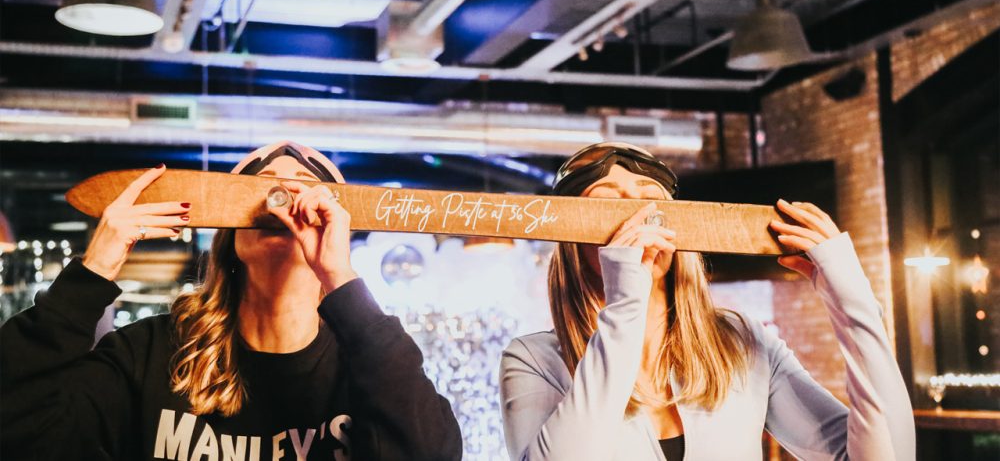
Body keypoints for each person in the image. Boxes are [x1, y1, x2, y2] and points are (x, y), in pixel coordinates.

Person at [1, 141, 463, 460]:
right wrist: (92, 272)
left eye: (306, 192)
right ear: (229, 235)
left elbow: (431, 452)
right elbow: (19, 428)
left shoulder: (369, 364)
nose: (281, 204)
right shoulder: (149, 356)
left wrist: (341, 277)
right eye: (257, 192)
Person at [499, 142, 914, 460]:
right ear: (574, 245)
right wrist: (627, 301)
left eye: (650, 200)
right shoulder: (533, 359)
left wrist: (852, 301)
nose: (636, 215)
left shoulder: (741, 342)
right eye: (607, 202)